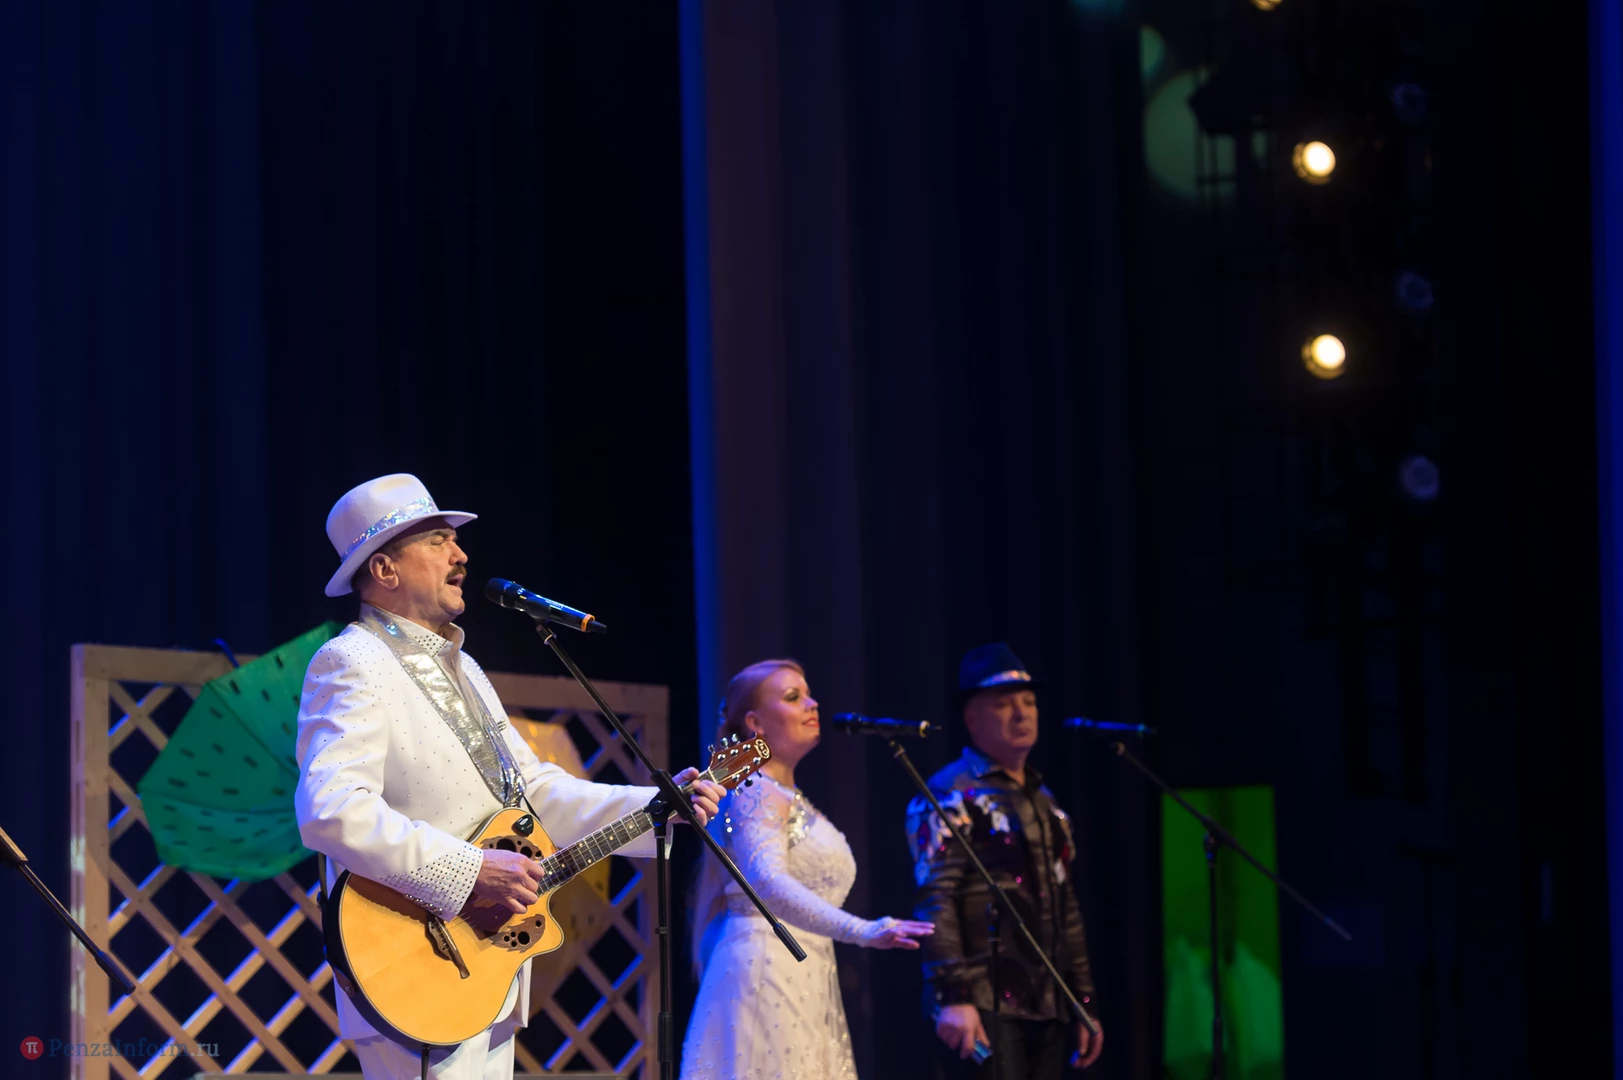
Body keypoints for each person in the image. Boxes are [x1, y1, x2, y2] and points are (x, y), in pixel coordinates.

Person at [295, 474, 725, 1080]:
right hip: (411, 964)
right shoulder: (352, 659)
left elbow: (533, 791)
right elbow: (332, 810)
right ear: (385, 569)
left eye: (455, 540)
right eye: (438, 540)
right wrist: (471, 871)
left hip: (483, 963)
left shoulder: (464, 667)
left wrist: (658, 804)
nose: (461, 554)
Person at [681, 659, 934, 1080]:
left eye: (809, 694)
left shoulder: (787, 795)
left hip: (800, 971)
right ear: (755, 723)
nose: (812, 704)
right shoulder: (754, 788)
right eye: (793, 697)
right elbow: (766, 882)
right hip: (767, 968)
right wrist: (864, 930)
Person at [908, 643, 1103, 1078]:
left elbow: (1066, 906)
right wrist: (954, 995)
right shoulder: (949, 793)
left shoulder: (1046, 802)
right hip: (982, 1002)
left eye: (1029, 702)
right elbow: (935, 899)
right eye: (1004, 704)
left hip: (1048, 1004)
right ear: (971, 718)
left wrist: (1083, 1000)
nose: (1021, 714)